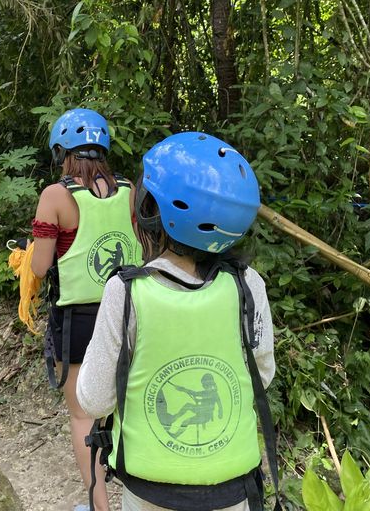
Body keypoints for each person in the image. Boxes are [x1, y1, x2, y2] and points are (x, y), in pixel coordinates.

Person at [77, 132, 278, 511]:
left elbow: (94, 399)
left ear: (150, 211)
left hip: (151, 491)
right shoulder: (249, 285)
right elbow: (260, 375)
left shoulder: (127, 292)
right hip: (233, 489)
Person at [31, 108, 142, 511]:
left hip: (80, 319)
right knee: (129, 406)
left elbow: (41, 266)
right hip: (133, 309)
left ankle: (100, 506)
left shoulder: (56, 196)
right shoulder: (131, 190)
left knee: (83, 415)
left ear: (62, 151)